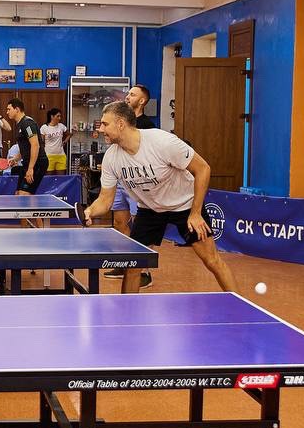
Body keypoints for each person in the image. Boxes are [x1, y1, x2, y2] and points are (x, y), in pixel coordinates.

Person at [84, 101, 236, 295]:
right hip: (150, 209)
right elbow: (105, 200)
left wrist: (196, 213)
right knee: (133, 265)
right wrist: (90, 211)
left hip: (185, 205)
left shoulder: (162, 142)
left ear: (121, 124)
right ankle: (126, 311)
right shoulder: (111, 158)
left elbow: (203, 169)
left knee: (211, 260)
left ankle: (243, 307)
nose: (101, 129)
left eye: (105, 124)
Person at [107, 83, 157, 285]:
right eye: (128, 94)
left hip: (138, 181)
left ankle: (144, 271)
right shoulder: (121, 122)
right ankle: (125, 263)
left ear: (142, 101)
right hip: (120, 180)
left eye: (132, 94)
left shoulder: (148, 125)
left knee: (140, 227)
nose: (127, 97)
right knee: (119, 223)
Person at [4, 98, 45, 197]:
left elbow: (35, 145)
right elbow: (25, 147)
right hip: (27, 163)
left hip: (37, 163)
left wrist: (31, 168)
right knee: (18, 194)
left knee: (24, 194)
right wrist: (16, 158)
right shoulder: (20, 124)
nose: (7, 112)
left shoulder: (27, 124)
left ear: (17, 109)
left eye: (9, 109)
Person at [40, 108, 70, 173]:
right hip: (49, 156)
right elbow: (41, 142)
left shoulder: (61, 126)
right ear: (52, 116)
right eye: (58, 116)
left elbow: (69, 134)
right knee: (49, 177)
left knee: (61, 178)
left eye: (60, 116)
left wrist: (65, 141)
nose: (59, 118)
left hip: (61, 155)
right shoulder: (44, 127)